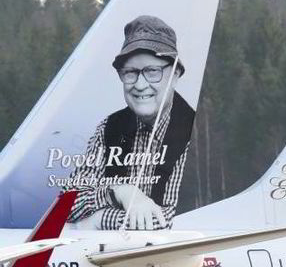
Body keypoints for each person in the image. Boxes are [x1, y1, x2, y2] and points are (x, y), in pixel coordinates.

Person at [67, 15, 195, 230]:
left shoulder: (194, 132)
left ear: (175, 74)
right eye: (130, 73)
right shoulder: (108, 128)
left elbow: (168, 223)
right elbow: (65, 205)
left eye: (152, 71)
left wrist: (95, 221)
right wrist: (119, 191)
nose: (140, 85)